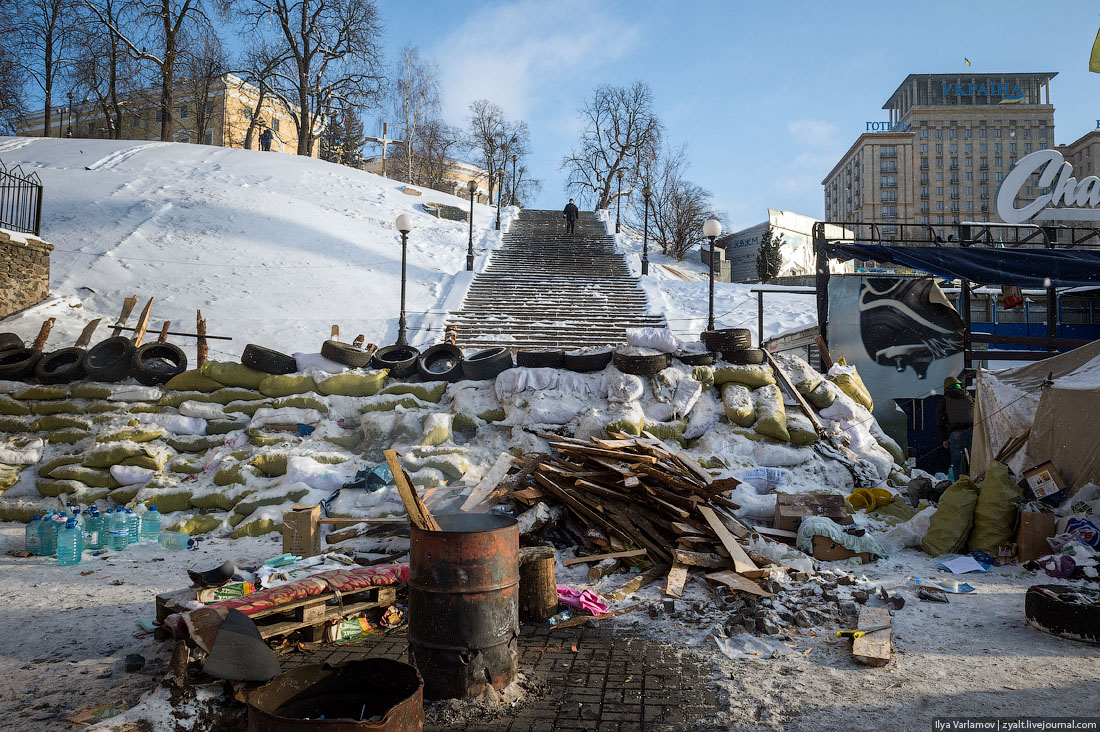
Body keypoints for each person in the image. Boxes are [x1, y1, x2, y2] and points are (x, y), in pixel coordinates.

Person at [936, 375, 974, 478]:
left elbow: (940, 421)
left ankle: (959, 484)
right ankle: (975, 481)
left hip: (956, 434)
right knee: (974, 460)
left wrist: (944, 438)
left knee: (957, 462)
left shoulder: (945, 400)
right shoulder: (968, 396)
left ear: (946, 387)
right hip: (972, 432)